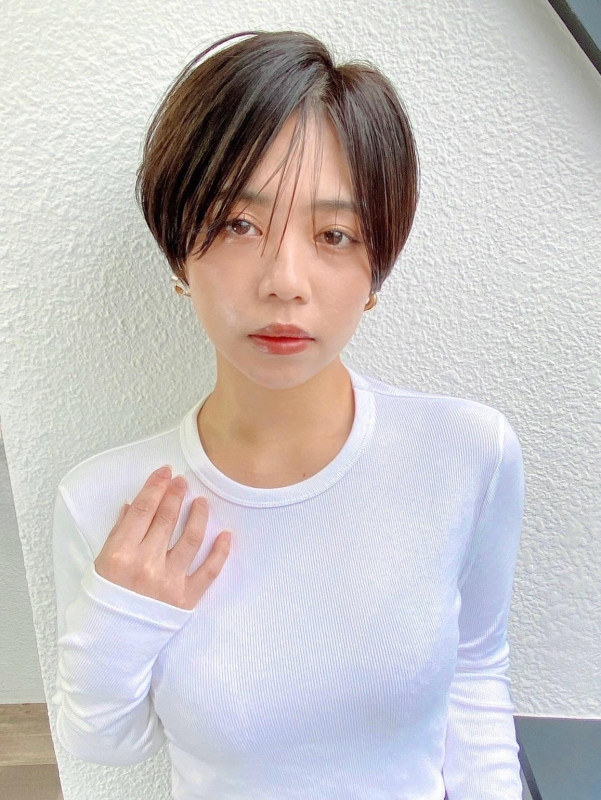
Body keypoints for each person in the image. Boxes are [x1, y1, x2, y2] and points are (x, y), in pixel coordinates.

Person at [51, 29, 525, 800]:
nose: (284, 280)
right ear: (179, 254)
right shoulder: (107, 499)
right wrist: (120, 616)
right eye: (238, 224)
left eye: (334, 234)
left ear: (377, 265)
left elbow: (475, 673)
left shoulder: (466, 452)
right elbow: (106, 743)